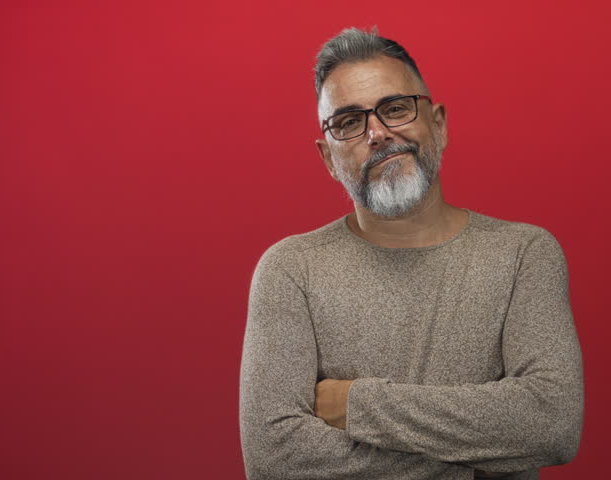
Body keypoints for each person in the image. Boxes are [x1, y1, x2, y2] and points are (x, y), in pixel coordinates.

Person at [239, 27, 584, 480]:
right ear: (328, 158)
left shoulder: (524, 254)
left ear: (437, 125)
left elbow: (552, 421)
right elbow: (274, 458)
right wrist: (477, 459)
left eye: (396, 108)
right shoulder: (290, 270)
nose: (378, 133)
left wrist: (357, 405)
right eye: (348, 123)